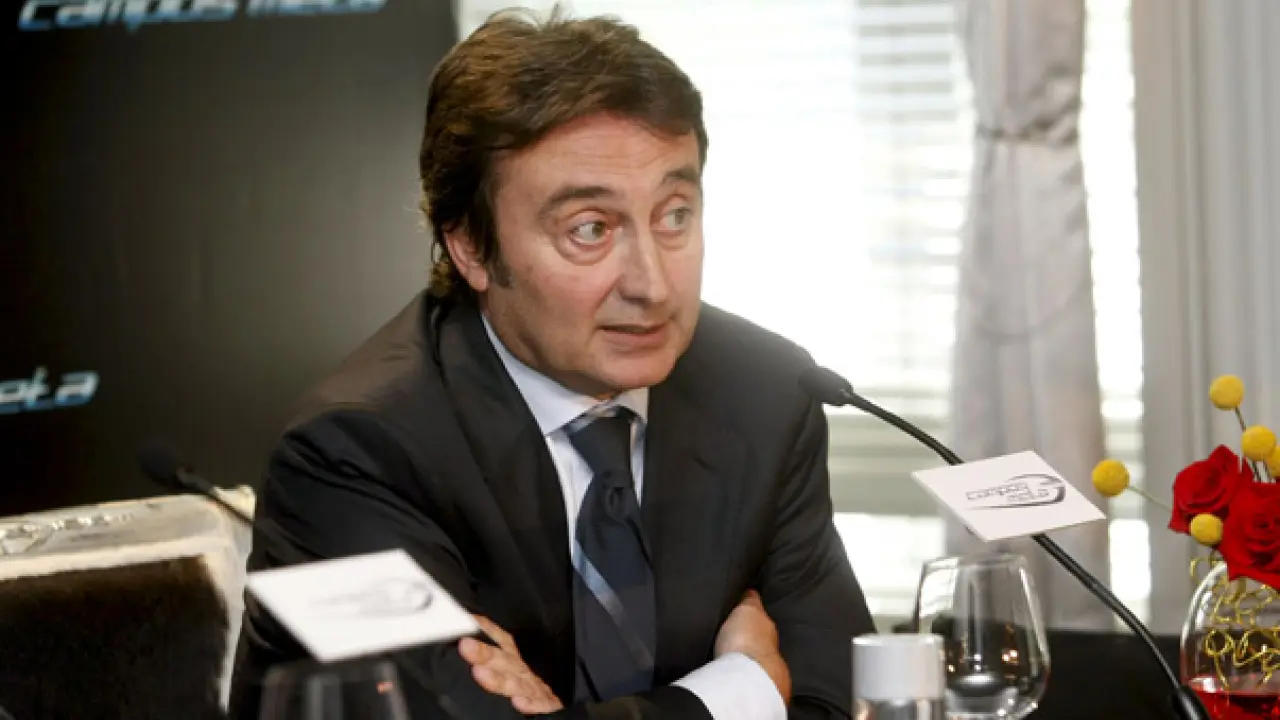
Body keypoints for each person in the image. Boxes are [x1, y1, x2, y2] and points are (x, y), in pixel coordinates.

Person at [229, 7, 874, 719]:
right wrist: (739, 692)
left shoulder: (765, 394)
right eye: (590, 230)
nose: (653, 285)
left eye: (675, 215)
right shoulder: (356, 453)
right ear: (471, 246)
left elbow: (841, 699)